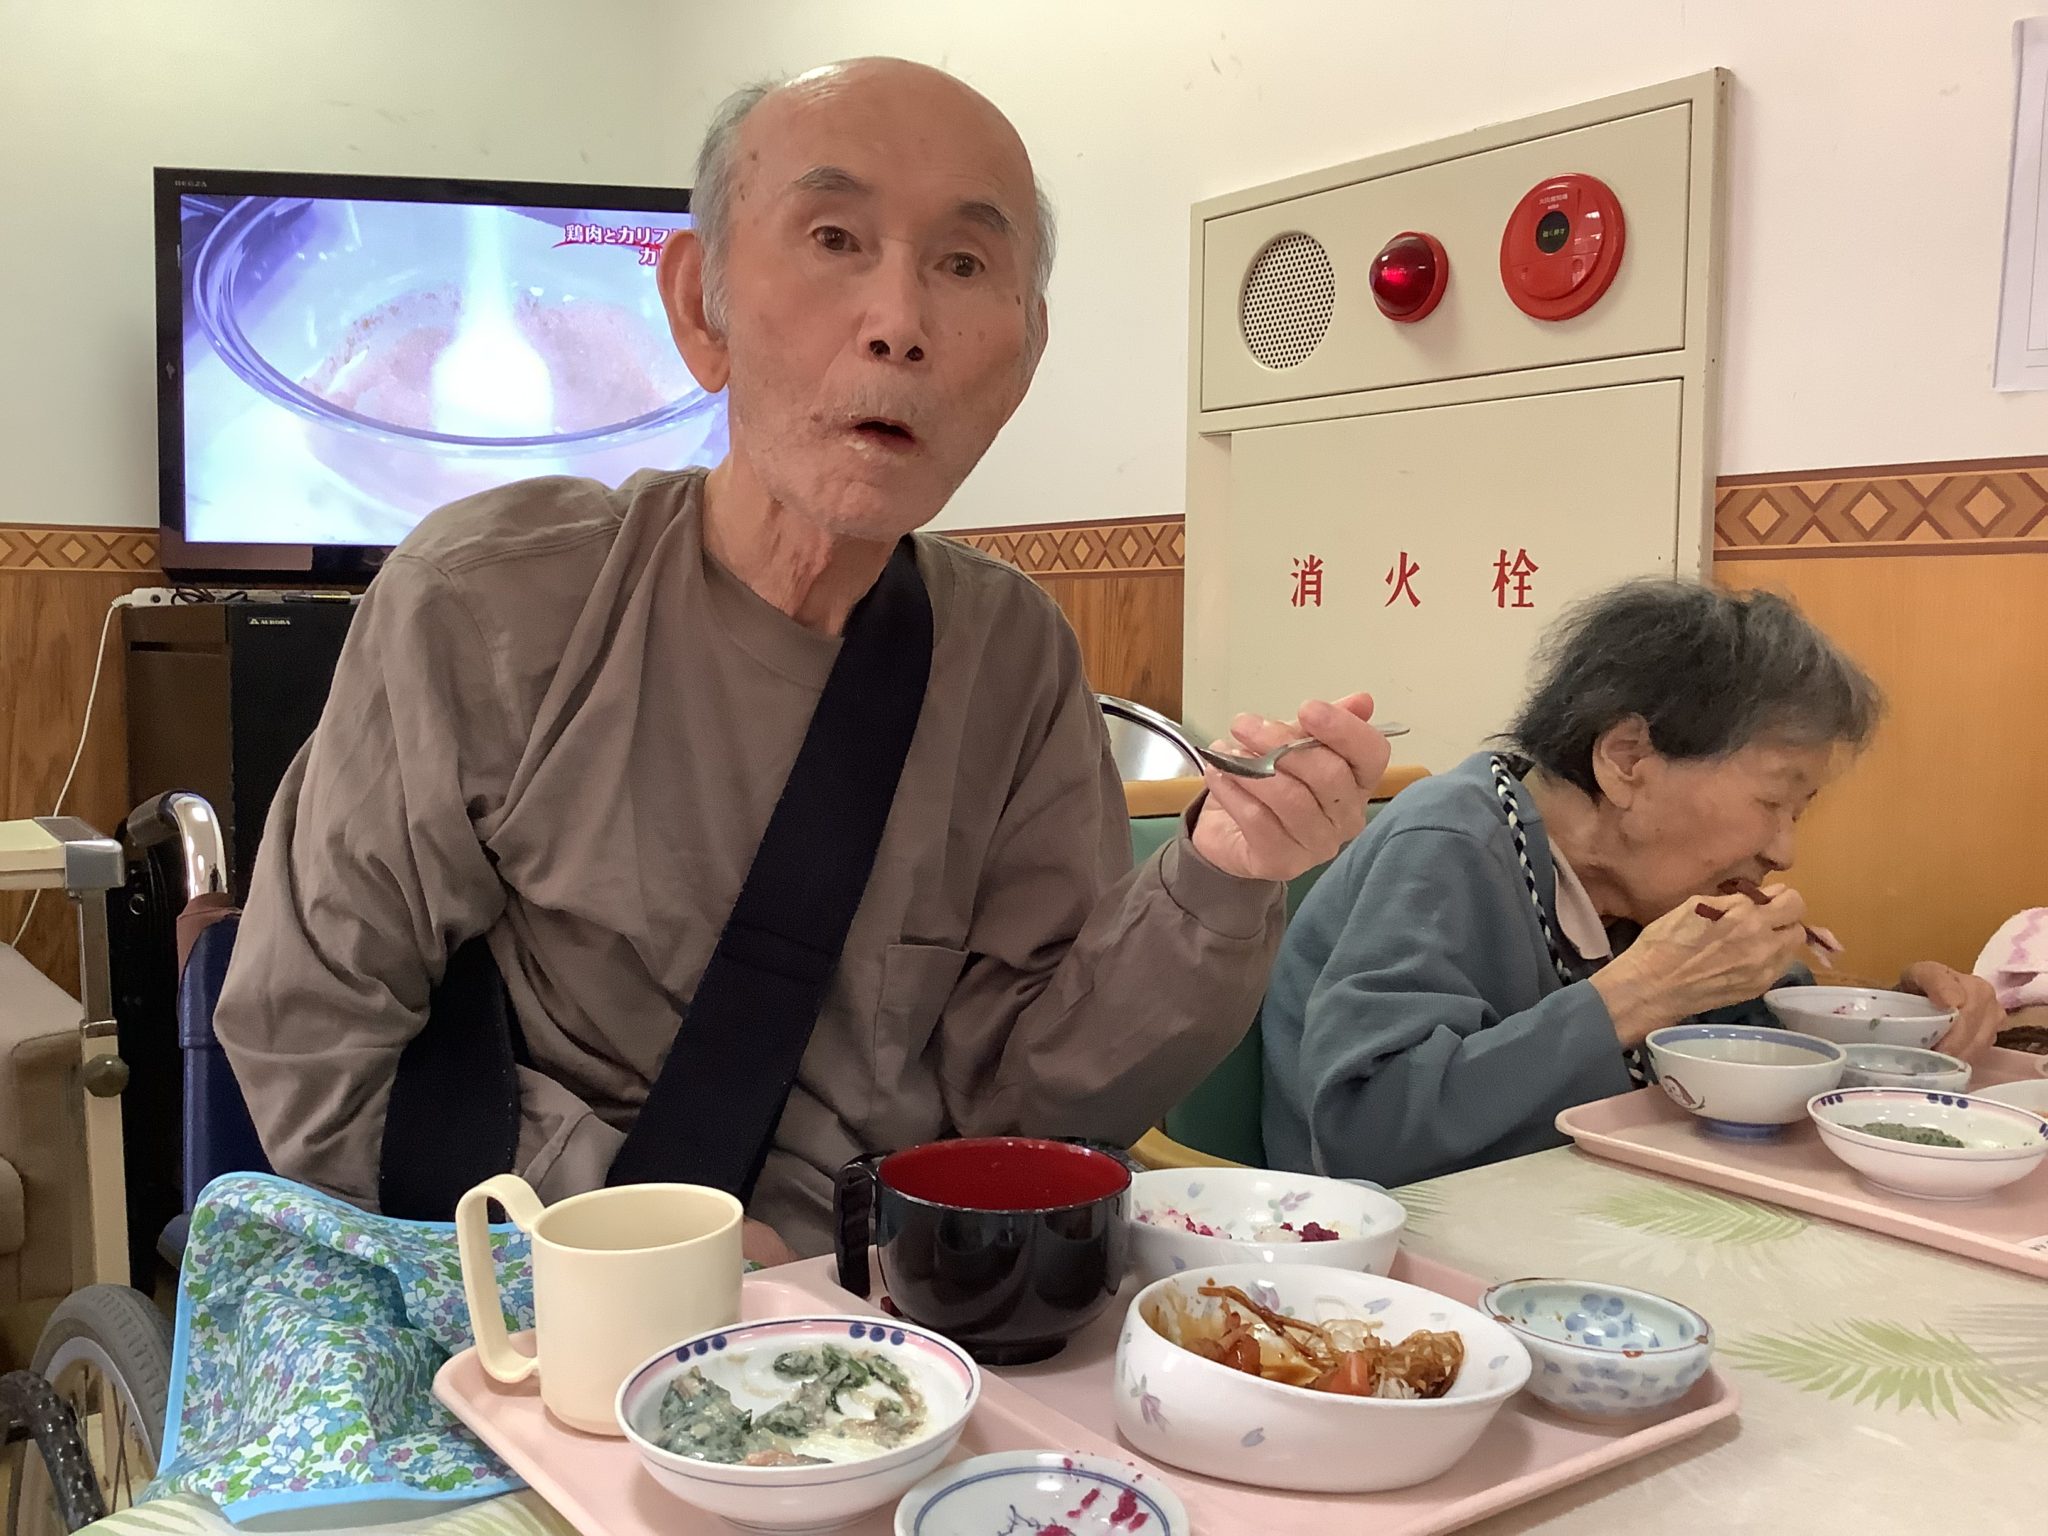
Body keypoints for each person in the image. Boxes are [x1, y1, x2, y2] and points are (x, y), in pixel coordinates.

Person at [214, 59, 1394, 1263]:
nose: (898, 323)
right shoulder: (488, 601)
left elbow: (1035, 1104)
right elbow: (312, 1031)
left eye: (962, 265)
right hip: (547, 1299)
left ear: (1023, 358)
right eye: (834, 238)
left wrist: (1221, 874)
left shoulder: (1010, 655)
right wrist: (655, 1247)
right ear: (700, 308)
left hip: (898, 1318)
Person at [1262, 580, 2002, 1188]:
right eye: (1773, 801)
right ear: (1626, 759)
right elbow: (1364, 1134)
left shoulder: (1647, 890)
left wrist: (1896, 1020)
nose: (1784, 850)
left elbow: (1748, 1038)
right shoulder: (1452, 843)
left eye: (1798, 811)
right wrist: (1635, 996)